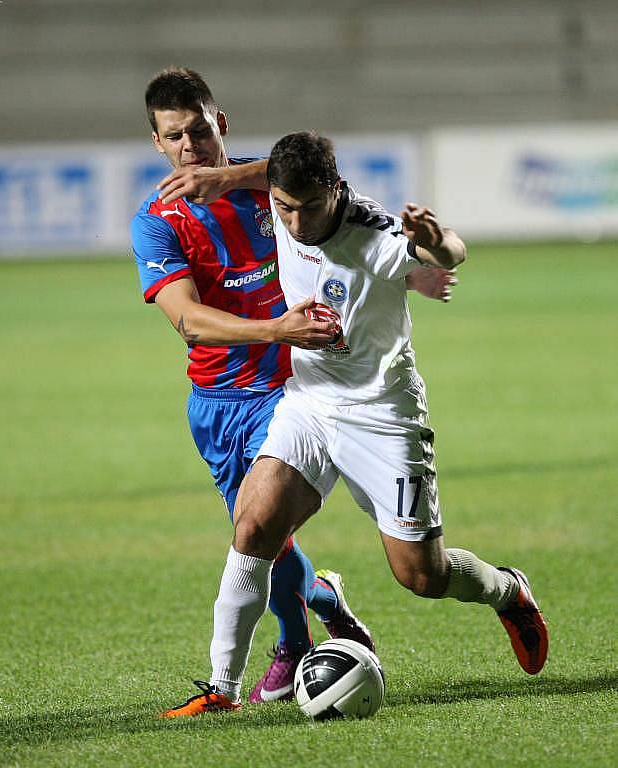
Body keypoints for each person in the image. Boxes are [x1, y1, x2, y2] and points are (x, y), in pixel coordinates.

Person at [162, 131, 548, 716]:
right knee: (254, 522)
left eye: (308, 207)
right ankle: (223, 690)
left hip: (384, 416)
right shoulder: (278, 198)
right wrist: (223, 177)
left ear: (336, 191)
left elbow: (451, 254)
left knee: (420, 575)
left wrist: (436, 244)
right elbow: (266, 175)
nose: (293, 222)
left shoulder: (378, 235)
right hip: (311, 404)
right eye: (284, 207)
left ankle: (506, 590)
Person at [131, 69, 454, 709]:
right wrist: (275, 325)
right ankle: (326, 604)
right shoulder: (156, 221)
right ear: (157, 144)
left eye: (199, 129)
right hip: (219, 397)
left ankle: (285, 652)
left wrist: (411, 272)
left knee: (258, 533)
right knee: (261, 540)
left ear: (219, 122)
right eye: (175, 137)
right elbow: (190, 322)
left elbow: (347, 214)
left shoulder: (277, 186)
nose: (190, 145)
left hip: (293, 385)